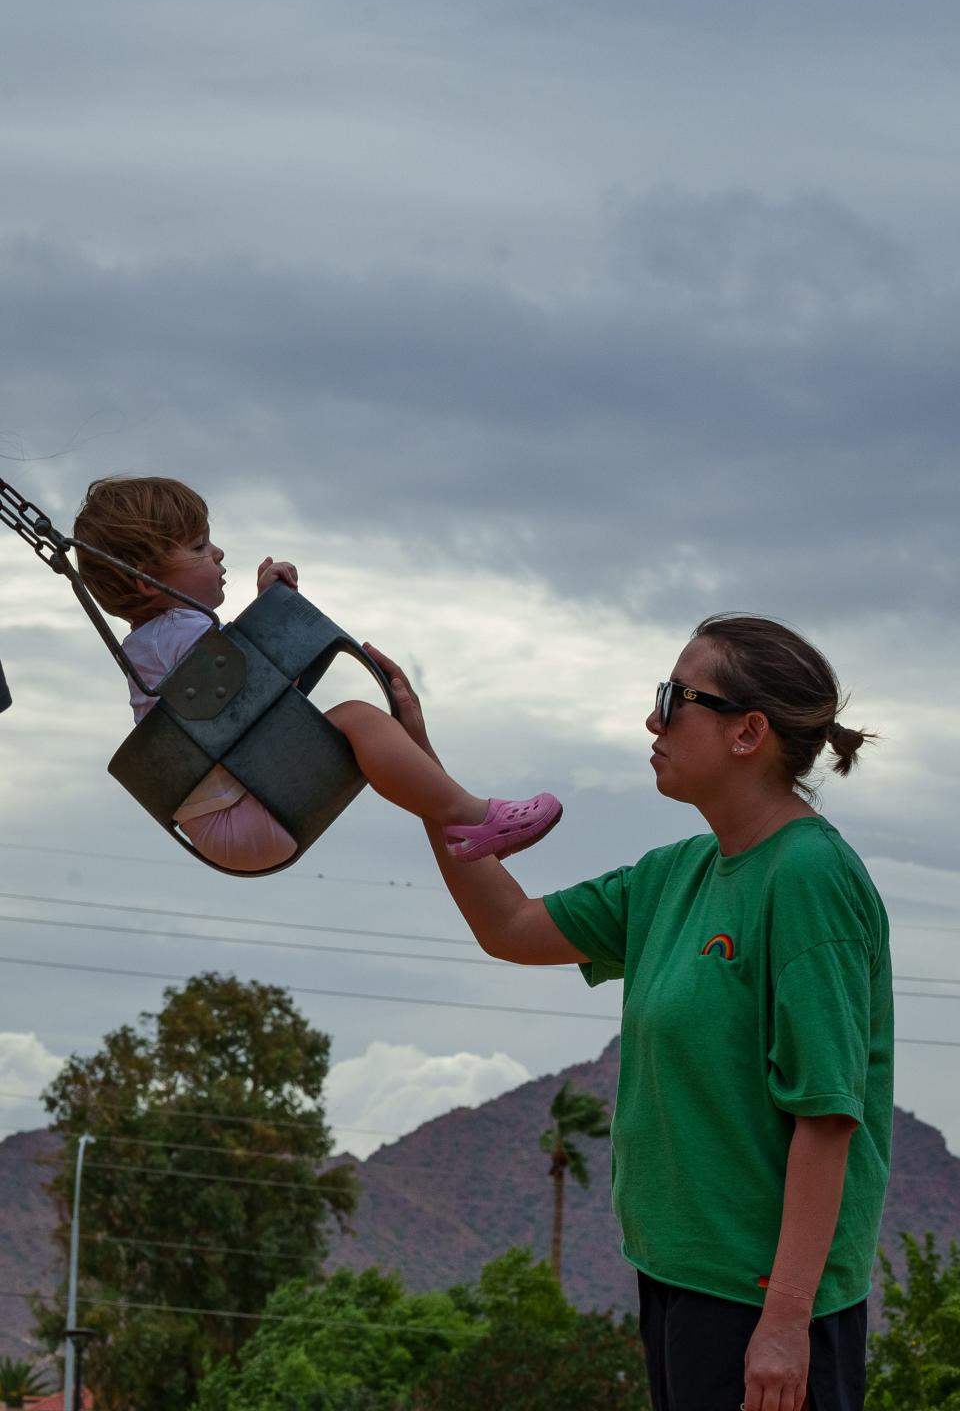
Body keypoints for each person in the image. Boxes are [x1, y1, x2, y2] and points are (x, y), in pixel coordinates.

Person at [368, 616, 892, 1411]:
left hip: (764, 1305)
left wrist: (785, 1324)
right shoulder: (673, 876)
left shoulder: (810, 878)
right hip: (678, 1280)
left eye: (674, 697)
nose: (653, 720)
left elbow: (826, 1118)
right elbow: (508, 928)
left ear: (749, 732)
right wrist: (420, 772)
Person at [72, 476, 561, 872]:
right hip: (243, 808)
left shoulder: (152, 645)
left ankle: (465, 818)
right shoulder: (178, 631)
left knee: (346, 724)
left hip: (223, 819)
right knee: (359, 718)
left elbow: (256, 708)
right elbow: (258, 688)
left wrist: (267, 611)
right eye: (200, 547)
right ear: (143, 577)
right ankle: (467, 815)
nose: (218, 553)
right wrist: (271, 609)